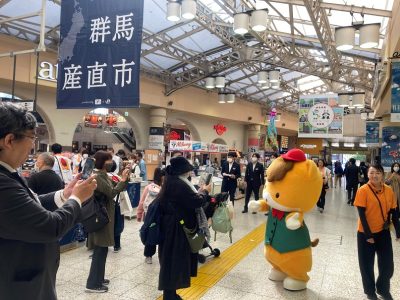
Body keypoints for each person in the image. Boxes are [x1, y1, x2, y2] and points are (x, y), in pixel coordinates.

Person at [0, 103, 97, 299]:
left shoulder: (8, 173)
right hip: (16, 287)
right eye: (31, 138)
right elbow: (50, 227)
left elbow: (26, 206)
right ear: (10, 140)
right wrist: (77, 198)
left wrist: (63, 195)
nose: (33, 146)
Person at [158, 156, 211, 300]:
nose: (189, 172)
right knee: (173, 260)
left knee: (172, 260)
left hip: (173, 225)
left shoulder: (172, 180)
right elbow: (195, 202)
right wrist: (204, 192)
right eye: (187, 170)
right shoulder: (178, 184)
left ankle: (170, 293)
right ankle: (169, 296)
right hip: (175, 228)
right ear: (182, 170)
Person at [86, 151, 130, 293]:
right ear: (102, 161)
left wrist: (123, 179)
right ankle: (92, 284)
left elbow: (115, 187)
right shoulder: (97, 177)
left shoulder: (103, 175)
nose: (112, 162)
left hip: (104, 216)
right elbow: (111, 192)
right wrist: (122, 181)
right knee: (100, 249)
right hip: (101, 217)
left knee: (103, 249)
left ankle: (99, 277)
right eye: (109, 160)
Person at [354, 164, 400, 300]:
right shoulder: (363, 190)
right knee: (366, 265)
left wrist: (398, 230)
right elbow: (361, 214)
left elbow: (394, 212)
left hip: (383, 232)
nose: (374, 176)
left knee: (388, 266)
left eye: (378, 173)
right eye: (372, 173)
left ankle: (382, 288)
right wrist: (368, 235)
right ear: (368, 175)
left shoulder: (389, 190)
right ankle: (370, 291)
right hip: (365, 233)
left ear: (383, 175)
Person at [137, 167, 166, 264]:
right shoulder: (164, 188)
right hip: (160, 216)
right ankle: (161, 255)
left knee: (150, 234)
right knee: (160, 233)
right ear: (162, 177)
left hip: (148, 215)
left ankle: (148, 256)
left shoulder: (148, 187)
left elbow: (142, 202)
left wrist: (139, 214)